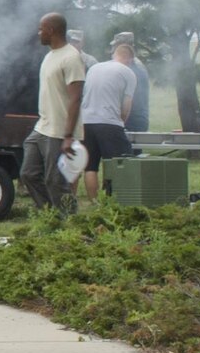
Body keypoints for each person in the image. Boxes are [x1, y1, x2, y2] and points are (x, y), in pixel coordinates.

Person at [20, 13, 86, 213]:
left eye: (41, 29)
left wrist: (68, 136)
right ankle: (51, 215)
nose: (38, 33)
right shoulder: (50, 55)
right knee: (28, 174)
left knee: (55, 181)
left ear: (52, 30)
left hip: (60, 130)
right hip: (43, 126)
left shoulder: (71, 57)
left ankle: (71, 222)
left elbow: (76, 98)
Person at [78, 41, 138, 201]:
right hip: (109, 123)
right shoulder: (128, 73)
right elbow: (126, 104)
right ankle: (114, 200)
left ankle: (93, 201)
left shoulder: (94, 68)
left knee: (90, 166)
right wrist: (122, 121)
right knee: (117, 164)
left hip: (86, 122)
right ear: (130, 60)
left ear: (114, 55)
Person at [112, 30, 151, 133]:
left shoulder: (134, 68)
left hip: (132, 120)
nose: (114, 50)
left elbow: (133, 100)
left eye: (116, 46)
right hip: (133, 119)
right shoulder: (132, 65)